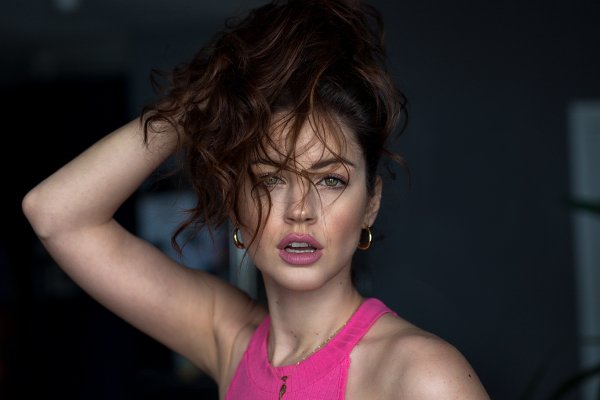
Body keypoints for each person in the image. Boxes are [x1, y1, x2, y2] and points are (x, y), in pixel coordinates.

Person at [22, 0, 491, 398]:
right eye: (271, 179)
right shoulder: (229, 339)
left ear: (371, 202)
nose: (300, 209)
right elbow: (55, 214)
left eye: (331, 180)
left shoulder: (423, 376)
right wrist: (202, 103)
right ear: (234, 201)